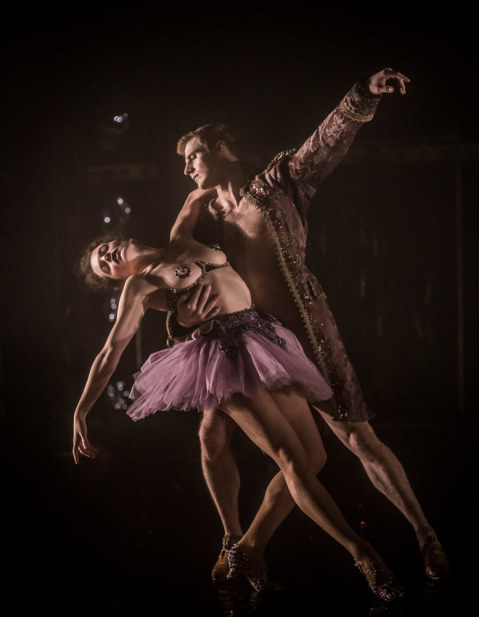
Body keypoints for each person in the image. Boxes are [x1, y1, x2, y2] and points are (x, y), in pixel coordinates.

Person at [170, 67, 450, 583]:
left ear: (225, 147)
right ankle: (236, 541)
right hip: (252, 346)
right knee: (212, 431)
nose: (186, 167)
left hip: (308, 335)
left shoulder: (276, 183)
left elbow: (321, 146)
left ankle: (426, 536)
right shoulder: (207, 225)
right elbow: (176, 275)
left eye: (193, 154)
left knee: (355, 442)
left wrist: (362, 96)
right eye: (184, 161)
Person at [72, 200, 404, 602]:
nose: (106, 258)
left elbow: (199, 192)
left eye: (104, 251)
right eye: (103, 266)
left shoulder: (180, 238)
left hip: (266, 341)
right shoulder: (141, 285)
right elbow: (110, 352)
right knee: (291, 458)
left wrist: (219, 180)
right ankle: (363, 555)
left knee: (315, 458)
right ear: (118, 277)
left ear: (121, 239)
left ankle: (248, 548)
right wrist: (82, 410)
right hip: (224, 355)